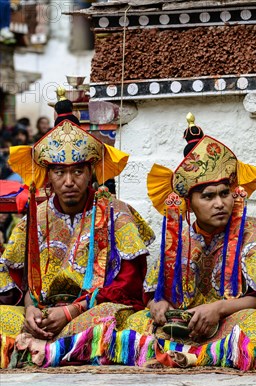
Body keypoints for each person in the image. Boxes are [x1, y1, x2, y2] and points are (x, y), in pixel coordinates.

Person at [121, 113, 256, 368]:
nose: (220, 203)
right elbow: (152, 293)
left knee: (255, 323)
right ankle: (192, 356)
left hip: (230, 321)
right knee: (135, 323)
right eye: (208, 196)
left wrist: (219, 309)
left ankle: (185, 357)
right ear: (189, 204)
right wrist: (157, 304)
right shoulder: (179, 239)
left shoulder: (253, 232)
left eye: (225, 194)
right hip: (187, 327)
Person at [0, 88, 155, 368]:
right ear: (48, 175)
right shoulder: (35, 216)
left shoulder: (114, 212)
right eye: (60, 172)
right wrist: (30, 308)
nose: (69, 181)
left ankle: (42, 350)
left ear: (91, 172)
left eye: (78, 171)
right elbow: (13, 279)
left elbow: (130, 283)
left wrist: (72, 311)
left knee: (118, 318)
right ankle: (49, 347)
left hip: (89, 311)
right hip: (42, 314)